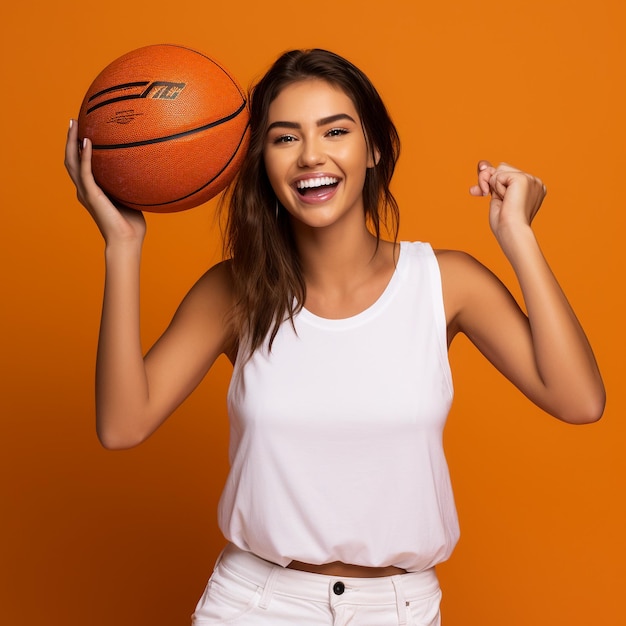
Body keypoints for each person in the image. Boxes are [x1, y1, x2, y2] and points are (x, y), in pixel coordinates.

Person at [64, 48, 605, 626]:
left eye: (335, 130)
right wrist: (122, 247)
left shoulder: (446, 282)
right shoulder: (235, 290)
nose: (311, 155)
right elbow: (122, 426)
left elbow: (579, 401)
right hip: (256, 605)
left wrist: (518, 235)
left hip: (398, 608)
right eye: (284, 138)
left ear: (373, 149)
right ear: (261, 162)